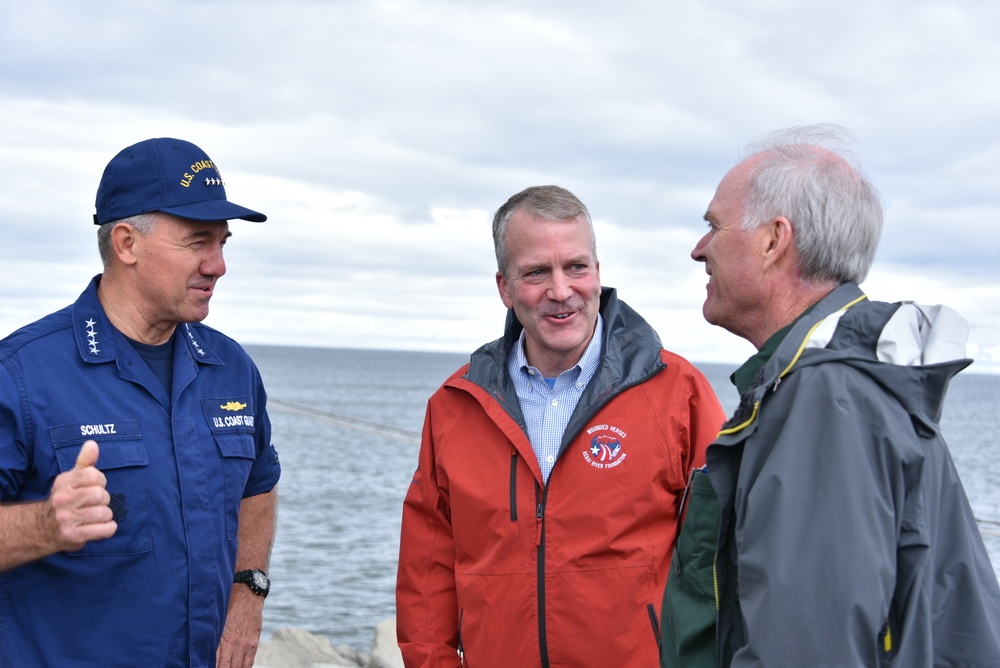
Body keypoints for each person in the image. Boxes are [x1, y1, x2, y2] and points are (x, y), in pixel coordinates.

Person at [661, 124, 1000, 667]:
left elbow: (806, 651)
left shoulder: (826, 395)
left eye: (713, 226)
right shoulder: (845, 378)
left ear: (774, 240)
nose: (699, 249)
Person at [396, 185, 726, 667]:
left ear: (598, 272)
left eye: (576, 266)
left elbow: (720, 555)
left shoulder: (678, 392)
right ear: (505, 288)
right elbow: (427, 571)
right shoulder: (456, 406)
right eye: (535, 272)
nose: (560, 290)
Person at [0, 138, 281, 667]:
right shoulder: (20, 375)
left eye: (223, 243)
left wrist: (248, 591)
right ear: (127, 243)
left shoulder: (232, 369)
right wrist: (44, 525)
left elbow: (257, 486)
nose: (218, 265)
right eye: (198, 242)